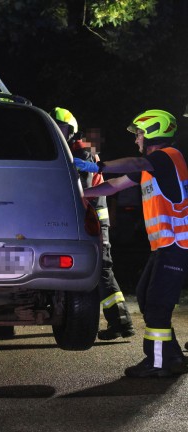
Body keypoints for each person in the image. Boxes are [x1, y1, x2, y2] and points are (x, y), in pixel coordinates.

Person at [74, 109, 188, 378]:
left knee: (157, 304)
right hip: (165, 247)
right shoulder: (152, 166)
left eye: (139, 134)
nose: (136, 139)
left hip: (177, 247)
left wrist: (97, 166)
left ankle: (160, 364)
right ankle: (170, 356)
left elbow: (133, 165)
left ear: (153, 133)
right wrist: (81, 194)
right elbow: (113, 186)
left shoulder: (167, 157)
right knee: (147, 298)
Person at [51, 107, 134, 340]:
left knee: (103, 268)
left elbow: (83, 190)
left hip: (95, 218)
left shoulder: (82, 151)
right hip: (85, 218)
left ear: (72, 131)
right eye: (55, 126)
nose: (58, 131)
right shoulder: (68, 151)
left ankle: (122, 322)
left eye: (62, 127)